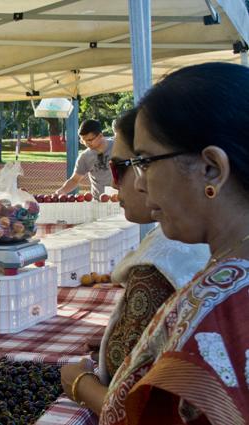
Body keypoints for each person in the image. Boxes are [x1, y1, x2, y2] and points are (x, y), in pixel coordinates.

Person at [88, 62, 249, 424]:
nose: (140, 184)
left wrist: (82, 383)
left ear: (211, 169)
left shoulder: (211, 312)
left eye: (144, 161)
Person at [60, 107, 210, 416]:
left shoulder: (162, 263)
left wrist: (79, 384)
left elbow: (137, 410)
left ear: (209, 168)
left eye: (132, 166)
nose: (132, 184)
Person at [54, 119, 114, 198]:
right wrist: (62, 190)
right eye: (83, 140)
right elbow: (75, 180)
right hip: (99, 202)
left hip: (123, 199)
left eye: (89, 140)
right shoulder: (85, 157)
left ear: (100, 136)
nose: (86, 143)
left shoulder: (119, 146)